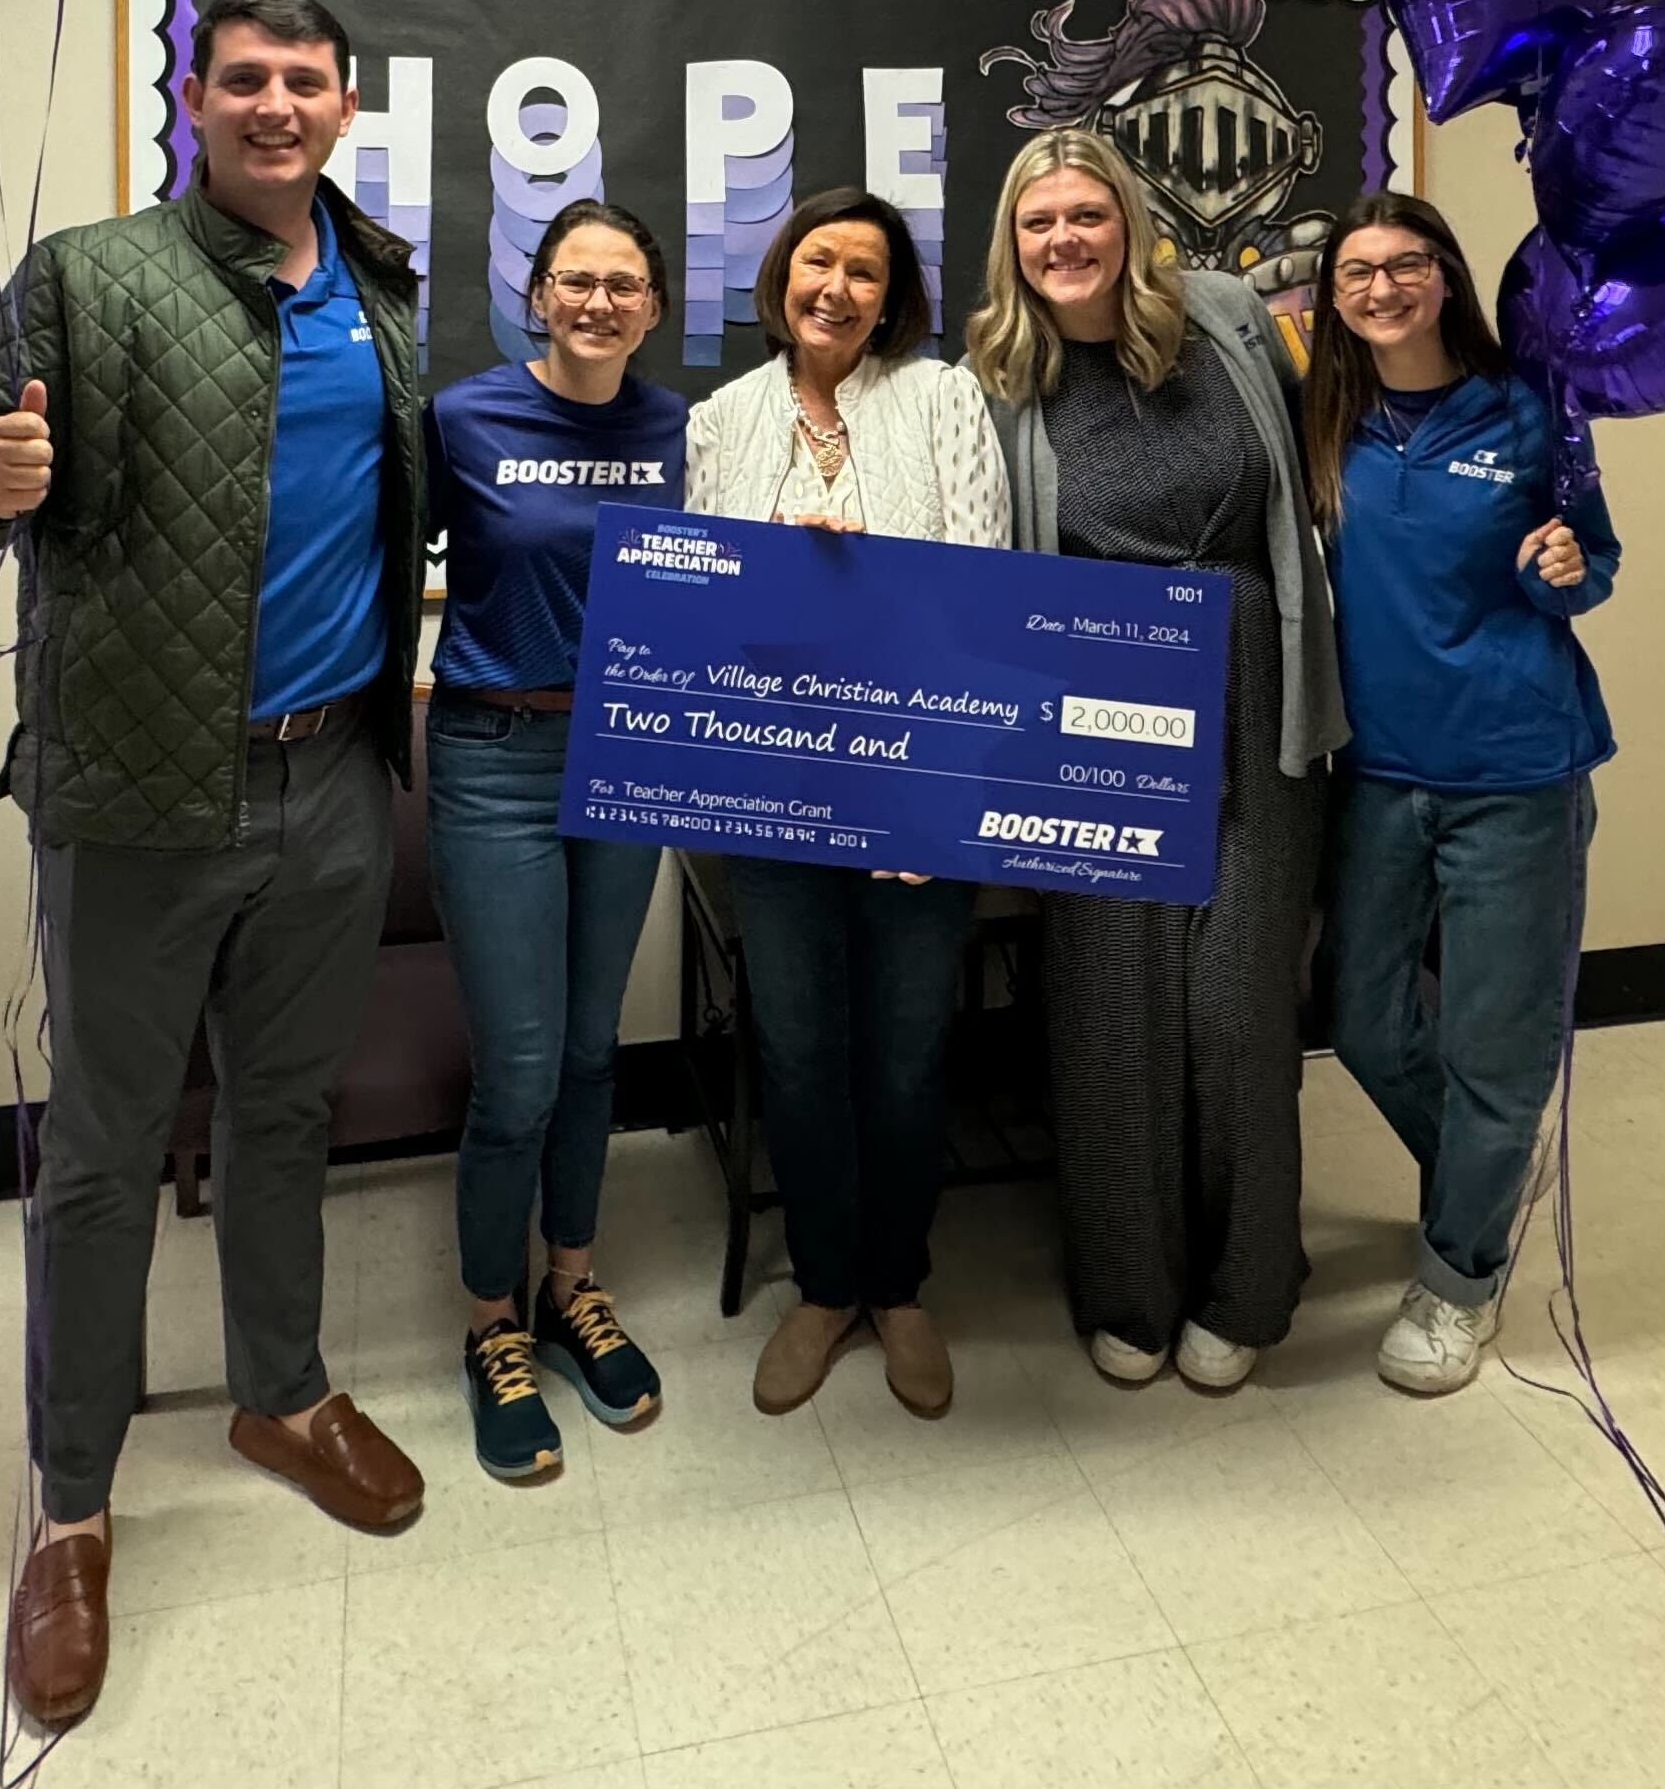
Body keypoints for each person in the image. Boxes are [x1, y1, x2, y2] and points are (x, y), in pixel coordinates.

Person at [0, 0, 431, 1733]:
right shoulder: (88, 272)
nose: (278, 106)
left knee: (288, 1112)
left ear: (345, 103)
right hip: (134, 791)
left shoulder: (382, 285)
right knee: (105, 1155)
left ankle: (281, 1390)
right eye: (246, 79)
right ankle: (66, 1503)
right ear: (194, 97)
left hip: (337, 779)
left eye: (307, 80)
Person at [967, 127, 1344, 1394]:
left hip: (1253, 684)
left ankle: (1248, 1285)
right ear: (1011, 246)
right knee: (1110, 1009)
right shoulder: (997, 373)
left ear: (1129, 220)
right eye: (1038, 223)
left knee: (1235, 1004)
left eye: (1085, 214)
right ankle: (1130, 1287)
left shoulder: (1234, 320)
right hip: (1091, 708)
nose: (1064, 240)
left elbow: (1338, 457)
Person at [681, 188, 1008, 1421]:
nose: (839, 288)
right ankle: (825, 1286)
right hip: (773, 796)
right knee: (803, 1050)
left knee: (910, 1050)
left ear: (893, 295)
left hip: (915, 788)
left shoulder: (943, 399)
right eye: (819, 261)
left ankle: (900, 1283)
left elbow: (981, 589)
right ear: (781, 277)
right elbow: (700, 606)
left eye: (865, 272)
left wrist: (949, 790)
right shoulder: (721, 420)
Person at [1301, 189, 1617, 1400]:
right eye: (1356, 271)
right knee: (1369, 1019)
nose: (1381, 288)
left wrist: (1568, 570)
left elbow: (1596, 563)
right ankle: (1481, 1174)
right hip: (1378, 769)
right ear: (1332, 297)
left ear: (1447, 276)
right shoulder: (1329, 419)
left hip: (1515, 771)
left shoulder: (1529, 411)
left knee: (1497, 1041)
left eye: (1406, 265)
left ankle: (1461, 1278)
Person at [423, 197, 688, 1486]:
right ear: (538, 295)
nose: (597, 302)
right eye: (575, 280)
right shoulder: (463, 418)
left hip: (628, 749)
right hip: (492, 756)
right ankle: (491, 1320)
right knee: (519, 1064)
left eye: (623, 285)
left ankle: (575, 1285)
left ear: (653, 307)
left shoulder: (681, 429)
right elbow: (363, 553)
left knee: (593, 1049)